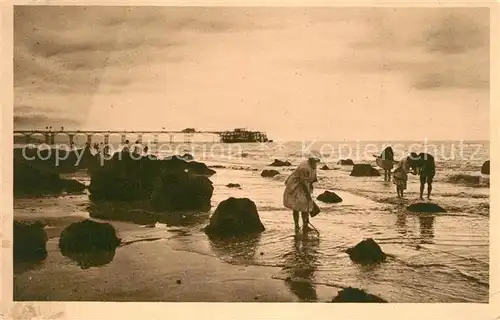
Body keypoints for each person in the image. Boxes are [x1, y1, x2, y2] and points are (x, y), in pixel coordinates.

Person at [283, 157, 320, 232]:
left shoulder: (313, 165)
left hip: (304, 184)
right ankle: (297, 225)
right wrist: (308, 195)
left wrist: (311, 186)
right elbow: (303, 183)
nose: (316, 163)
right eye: (315, 161)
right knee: (296, 206)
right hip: (295, 186)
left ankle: (305, 225)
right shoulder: (304, 167)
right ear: (310, 160)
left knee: (305, 205)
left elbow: (313, 178)